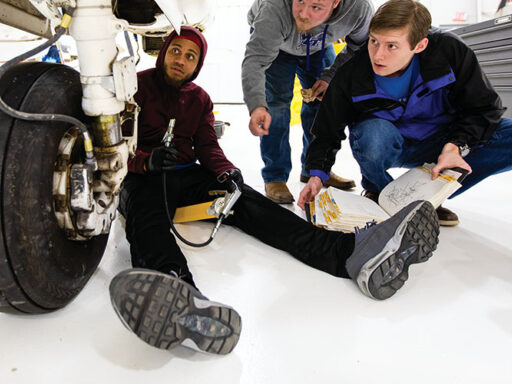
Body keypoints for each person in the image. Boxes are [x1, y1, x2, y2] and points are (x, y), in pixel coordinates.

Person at [109, 26, 441, 355]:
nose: (181, 59)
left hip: (186, 174)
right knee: (145, 215)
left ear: (198, 64)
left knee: (252, 203)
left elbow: (207, 145)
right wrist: (143, 161)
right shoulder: (135, 86)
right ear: (164, 51)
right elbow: (110, 145)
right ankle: (176, 290)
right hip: (140, 176)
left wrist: (228, 173)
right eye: (176, 51)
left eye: (190, 55)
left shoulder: (199, 99)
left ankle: (349, 254)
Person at [297, 0, 512, 226]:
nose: (378, 54)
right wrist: (317, 175)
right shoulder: (352, 70)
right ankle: (379, 193)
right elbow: (327, 130)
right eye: (374, 41)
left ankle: (427, 200)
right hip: (390, 143)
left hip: (443, 144)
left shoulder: (450, 52)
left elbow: (484, 108)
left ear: (420, 45)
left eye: (392, 46)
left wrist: (457, 145)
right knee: (371, 133)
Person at [242, 0, 374, 205]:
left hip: (318, 46)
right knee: (276, 106)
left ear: (337, 2)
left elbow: (360, 47)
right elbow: (256, 60)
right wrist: (256, 105)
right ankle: (275, 176)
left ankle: (314, 170)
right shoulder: (276, 3)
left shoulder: (360, 8)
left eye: (316, 7)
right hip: (277, 45)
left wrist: (331, 75)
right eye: (300, 0)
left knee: (323, 104)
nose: (302, 13)